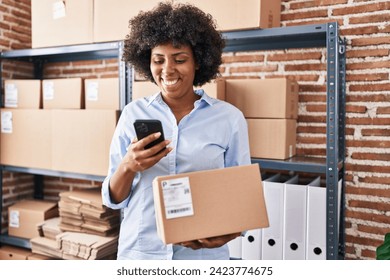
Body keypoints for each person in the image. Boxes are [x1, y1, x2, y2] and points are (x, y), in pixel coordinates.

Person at [101, 1, 251, 260]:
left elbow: (241, 199)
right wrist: (128, 166)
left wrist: (230, 232)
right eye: (158, 60)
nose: (167, 70)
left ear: (198, 63)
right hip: (142, 254)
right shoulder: (132, 114)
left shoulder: (229, 119)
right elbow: (113, 199)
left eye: (179, 59)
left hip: (202, 258)